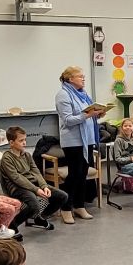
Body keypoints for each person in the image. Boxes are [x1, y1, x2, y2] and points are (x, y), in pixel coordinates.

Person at [55, 65, 106, 222]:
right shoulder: (63, 95)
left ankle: (79, 205)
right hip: (73, 141)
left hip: (87, 140)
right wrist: (87, 115)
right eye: (80, 76)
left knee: (83, 173)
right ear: (70, 79)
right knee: (75, 174)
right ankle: (66, 208)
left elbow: (87, 114)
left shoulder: (83, 94)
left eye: (83, 76)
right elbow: (68, 120)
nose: (83, 79)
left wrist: (97, 114)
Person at [0, 126, 69, 230]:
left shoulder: (27, 155)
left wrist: (44, 186)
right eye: (21, 140)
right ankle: (13, 226)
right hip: (17, 188)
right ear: (11, 143)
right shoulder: (7, 158)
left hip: (32, 185)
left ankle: (39, 217)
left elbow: (36, 171)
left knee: (62, 196)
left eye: (25, 140)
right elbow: (17, 178)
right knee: (34, 205)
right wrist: (36, 190)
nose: (24, 143)